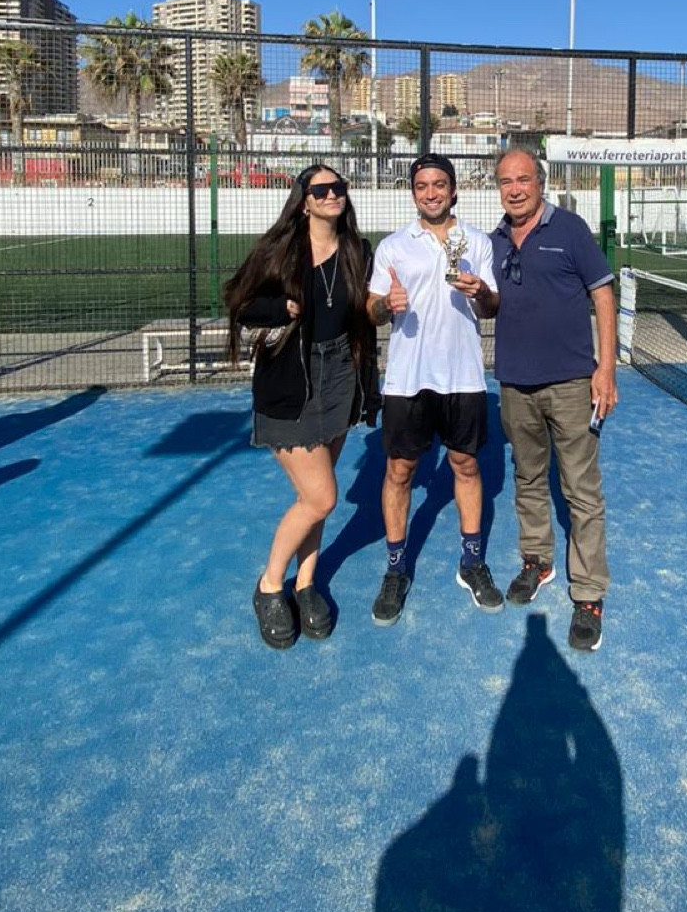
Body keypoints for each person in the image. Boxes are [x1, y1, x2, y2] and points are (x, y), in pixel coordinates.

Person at [225, 164, 378, 650]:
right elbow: (238, 302)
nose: (333, 195)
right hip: (293, 379)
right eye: (322, 190)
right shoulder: (280, 250)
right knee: (321, 498)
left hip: (342, 374)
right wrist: (281, 308)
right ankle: (270, 585)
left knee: (318, 494)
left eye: (339, 187)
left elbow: (366, 314)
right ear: (305, 201)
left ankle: (306, 582)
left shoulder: (358, 251)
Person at [366, 153, 502, 625]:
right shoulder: (393, 247)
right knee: (399, 471)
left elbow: (492, 307)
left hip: (463, 376)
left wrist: (481, 292)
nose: (431, 193)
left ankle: (472, 562)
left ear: (453, 190)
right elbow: (371, 310)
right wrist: (386, 304)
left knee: (466, 465)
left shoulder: (477, 242)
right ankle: (396, 568)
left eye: (439, 184)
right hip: (408, 379)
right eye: (422, 186)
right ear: (413, 193)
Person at [491, 150, 618, 652]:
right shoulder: (494, 240)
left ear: (539, 183)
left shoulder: (570, 229)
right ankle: (537, 561)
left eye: (523, 179)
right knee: (527, 478)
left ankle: (588, 593)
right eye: (506, 181)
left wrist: (605, 370)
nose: (515, 189)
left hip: (571, 384)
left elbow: (603, 295)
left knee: (581, 491)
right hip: (514, 384)